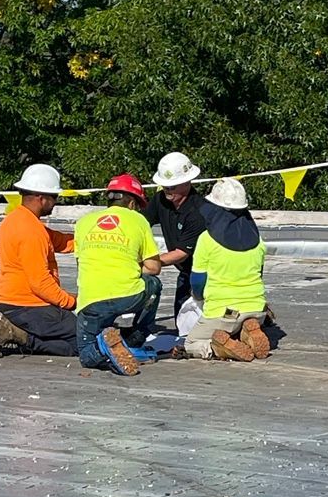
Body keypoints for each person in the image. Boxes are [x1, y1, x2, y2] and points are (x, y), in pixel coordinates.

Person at [0, 163, 78, 357]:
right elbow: (40, 283)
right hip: (27, 305)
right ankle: (19, 335)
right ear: (42, 198)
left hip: (13, 301)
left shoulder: (17, 219)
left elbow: (59, 241)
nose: (56, 202)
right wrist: (71, 302)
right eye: (55, 197)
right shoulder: (31, 231)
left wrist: (90, 238)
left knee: (75, 333)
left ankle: (14, 331)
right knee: (84, 341)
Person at [72, 174, 162, 377]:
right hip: (128, 296)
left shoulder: (83, 223)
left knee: (87, 356)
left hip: (90, 302)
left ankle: (102, 348)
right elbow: (154, 267)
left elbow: (82, 264)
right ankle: (133, 340)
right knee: (153, 285)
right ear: (131, 203)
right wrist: (131, 267)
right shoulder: (138, 220)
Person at [185, 178, 271, 361]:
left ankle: (219, 348)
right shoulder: (258, 242)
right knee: (234, 328)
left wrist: (197, 297)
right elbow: (259, 274)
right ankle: (248, 330)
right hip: (258, 308)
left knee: (191, 343)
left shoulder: (206, 240)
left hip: (224, 313)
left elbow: (198, 281)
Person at [150, 151, 207, 314]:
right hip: (185, 271)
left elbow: (181, 254)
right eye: (164, 186)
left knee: (202, 326)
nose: (167, 191)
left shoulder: (198, 212)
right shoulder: (160, 200)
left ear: (187, 183)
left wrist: (148, 263)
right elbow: (141, 223)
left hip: (205, 274)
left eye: (172, 187)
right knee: (182, 322)